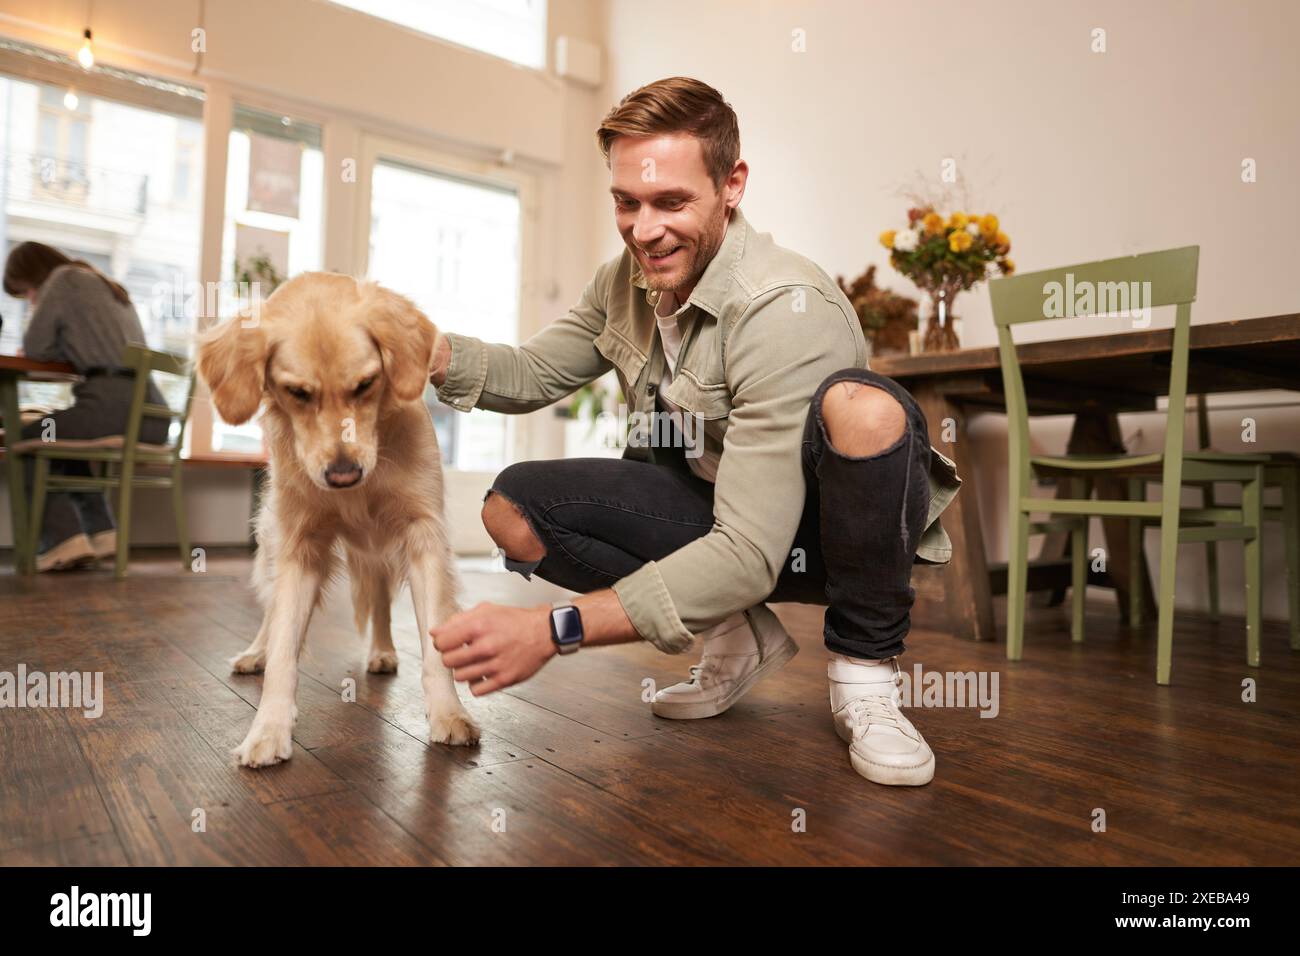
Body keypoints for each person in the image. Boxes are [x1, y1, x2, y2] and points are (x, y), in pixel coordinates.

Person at [428, 77, 961, 787]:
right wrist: (417, 347)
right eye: (627, 203)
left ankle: (866, 681)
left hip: (817, 539)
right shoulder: (627, 281)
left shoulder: (784, 308)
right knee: (514, 508)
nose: (645, 230)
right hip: (718, 515)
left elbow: (748, 552)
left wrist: (551, 629)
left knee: (867, 409)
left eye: (671, 202)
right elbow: (528, 372)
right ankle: (734, 635)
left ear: (731, 185)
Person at [3, 242, 168, 571]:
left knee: (22, 439)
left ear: (34, 276)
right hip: (152, 414)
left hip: (111, 406)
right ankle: (100, 532)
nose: (32, 300)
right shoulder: (107, 284)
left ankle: (62, 539)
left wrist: (41, 315)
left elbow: (36, 346)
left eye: (28, 293)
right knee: (61, 441)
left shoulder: (63, 280)